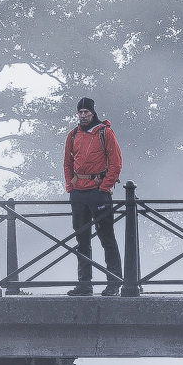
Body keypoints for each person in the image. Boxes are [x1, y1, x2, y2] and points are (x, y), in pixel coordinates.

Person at [64, 96, 123, 295]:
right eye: (80, 112)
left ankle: (114, 282)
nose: (83, 115)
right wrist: (69, 187)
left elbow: (116, 163)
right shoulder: (72, 135)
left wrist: (104, 187)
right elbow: (67, 163)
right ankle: (84, 284)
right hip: (78, 192)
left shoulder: (105, 133)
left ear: (93, 113)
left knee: (107, 237)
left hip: (98, 192)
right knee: (82, 239)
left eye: (86, 112)